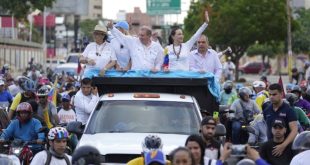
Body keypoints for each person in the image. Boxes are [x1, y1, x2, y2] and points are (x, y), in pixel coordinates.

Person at [263, 83, 298, 156]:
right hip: (271, 148)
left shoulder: (289, 110)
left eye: (274, 94)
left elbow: (294, 130)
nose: (271, 97)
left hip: (286, 149)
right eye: (270, 94)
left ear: (281, 94)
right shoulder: (266, 111)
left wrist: (283, 146)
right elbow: (268, 129)